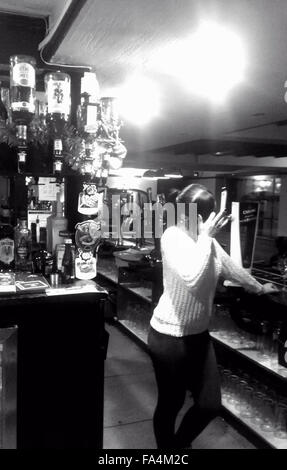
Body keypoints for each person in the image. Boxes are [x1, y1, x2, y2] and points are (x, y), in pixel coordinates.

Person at [147, 183, 278, 449]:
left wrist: (258, 287)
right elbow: (192, 278)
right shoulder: (172, 237)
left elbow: (231, 268)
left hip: (198, 336)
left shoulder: (208, 242)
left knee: (209, 405)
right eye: (182, 214)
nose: (183, 219)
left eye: (189, 216)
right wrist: (205, 238)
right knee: (170, 404)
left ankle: (178, 446)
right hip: (168, 337)